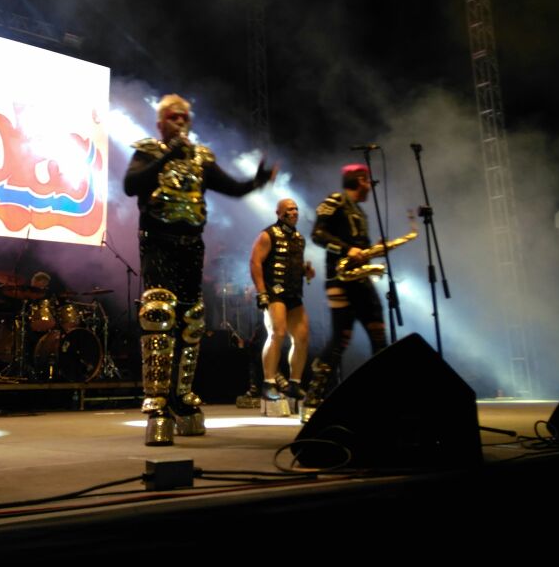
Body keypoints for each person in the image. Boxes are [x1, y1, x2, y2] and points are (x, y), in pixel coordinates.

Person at [123, 94, 275, 445]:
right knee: (159, 313)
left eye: (185, 118)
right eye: (173, 118)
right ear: (161, 123)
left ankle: (181, 397)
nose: (180, 123)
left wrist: (259, 181)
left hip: (191, 244)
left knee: (191, 319)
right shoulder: (147, 151)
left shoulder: (201, 159)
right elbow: (132, 186)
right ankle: (157, 405)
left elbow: (233, 189)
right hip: (158, 241)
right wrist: (166, 157)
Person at [305, 163, 387, 421]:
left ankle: (382, 396)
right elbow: (317, 234)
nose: (370, 187)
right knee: (342, 337)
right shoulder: (335, 200)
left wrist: (373, 249)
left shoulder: (360, 211)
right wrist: (345, 248)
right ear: (359, 179)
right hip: (340, 278)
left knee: (377, 333)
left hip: (361, 278)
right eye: (367, 181)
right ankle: (314, 396)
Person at [249, 198, 313, 413]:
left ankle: (294, 384)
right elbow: (255, 261)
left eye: (296, 208)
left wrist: (306, 271)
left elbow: (292, 264)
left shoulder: (299, 238)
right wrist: (261, 292)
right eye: (289, 209)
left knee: (302, 336)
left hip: (294, 293)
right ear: (279, 213)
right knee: (278, 333)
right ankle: (268, 383)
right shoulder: (268, 235)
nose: (294, 212)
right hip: (274, 291)